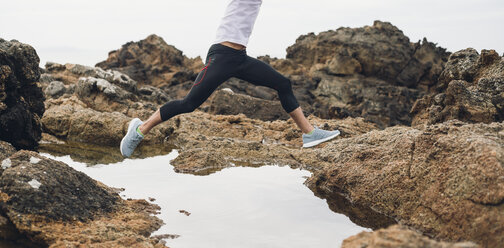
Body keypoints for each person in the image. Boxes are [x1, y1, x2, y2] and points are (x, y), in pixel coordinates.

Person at [120, 0, 340, 157]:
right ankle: (140, 129)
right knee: (188, 104)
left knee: (283, 83)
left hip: (239, 58)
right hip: (222, 56)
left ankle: (309, 134)